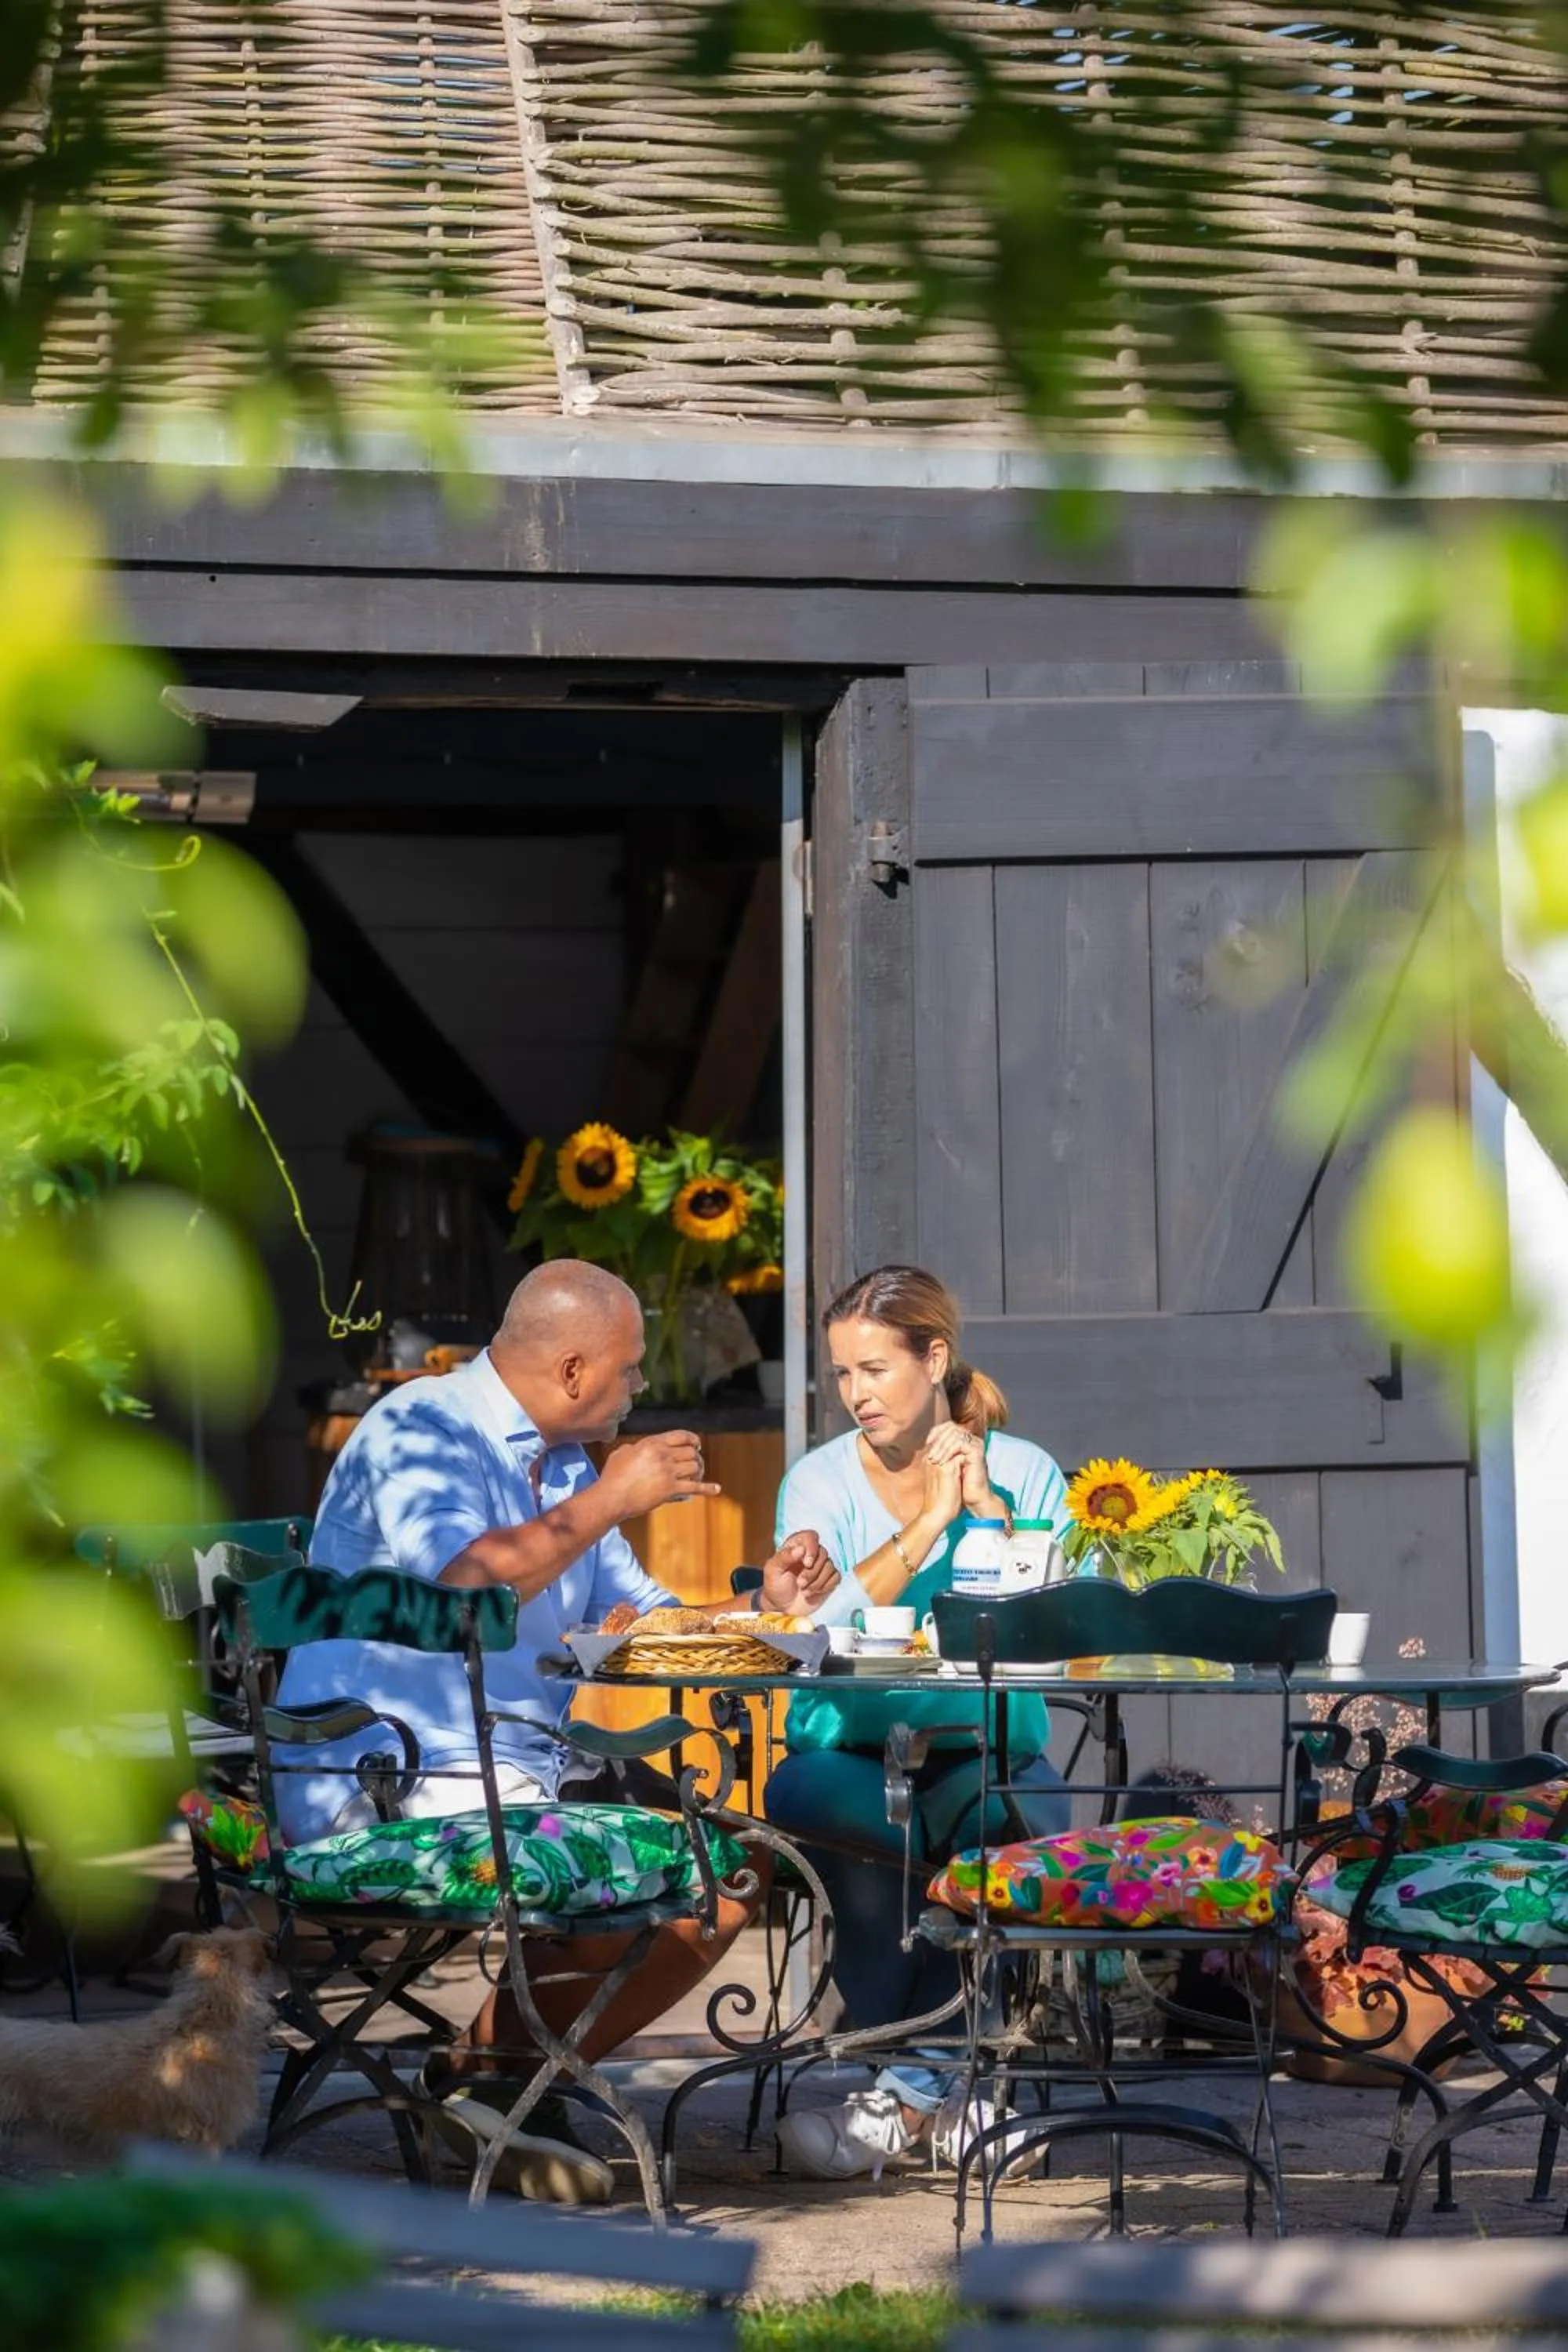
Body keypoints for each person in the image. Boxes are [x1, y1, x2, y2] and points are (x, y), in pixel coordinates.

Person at [273, 1259, 837, 2201]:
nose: (639, 1389)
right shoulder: (423, 1428)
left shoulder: (564, 1464)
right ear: (574, 1371)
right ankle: (503, 2091)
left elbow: (642, 1624)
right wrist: (611, 1499)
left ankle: (487, 2081)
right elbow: (464, 1581)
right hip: (382, 1783)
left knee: (734, 1865)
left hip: (511, 1782)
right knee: (659, 1861)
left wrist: (760, 1607)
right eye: (629, 1371)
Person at [764, 1263, 1072, 2181]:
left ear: (932, 1357)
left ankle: (895, 2100)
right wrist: (931, 1523)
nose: (855, 1394)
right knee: (855, 1827)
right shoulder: (817, 1481)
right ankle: (957, 2098)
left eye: (873, 1370)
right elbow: (817, 1629)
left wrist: (982, 1511)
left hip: (983, 1751)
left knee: (1000, 1830)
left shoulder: (1022, 1472)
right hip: (843, 1752)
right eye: (842, 1374)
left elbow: (1052, 1634)